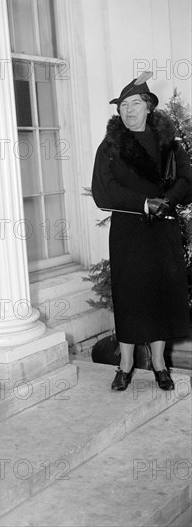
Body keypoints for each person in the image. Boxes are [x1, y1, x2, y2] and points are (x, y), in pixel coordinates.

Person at [91, 72, 192, 392]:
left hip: (163, 230)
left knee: (161, 295)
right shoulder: (110, 147)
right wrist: (144, 203)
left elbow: (186, 182)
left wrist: (167, 201)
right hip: (128, 232)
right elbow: (102, 192)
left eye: (135, 103)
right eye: (123, 105)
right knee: (130, 295)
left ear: (149, 107)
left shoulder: (171, 145)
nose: (128, 110)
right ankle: (125, 366)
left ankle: (160, 365)